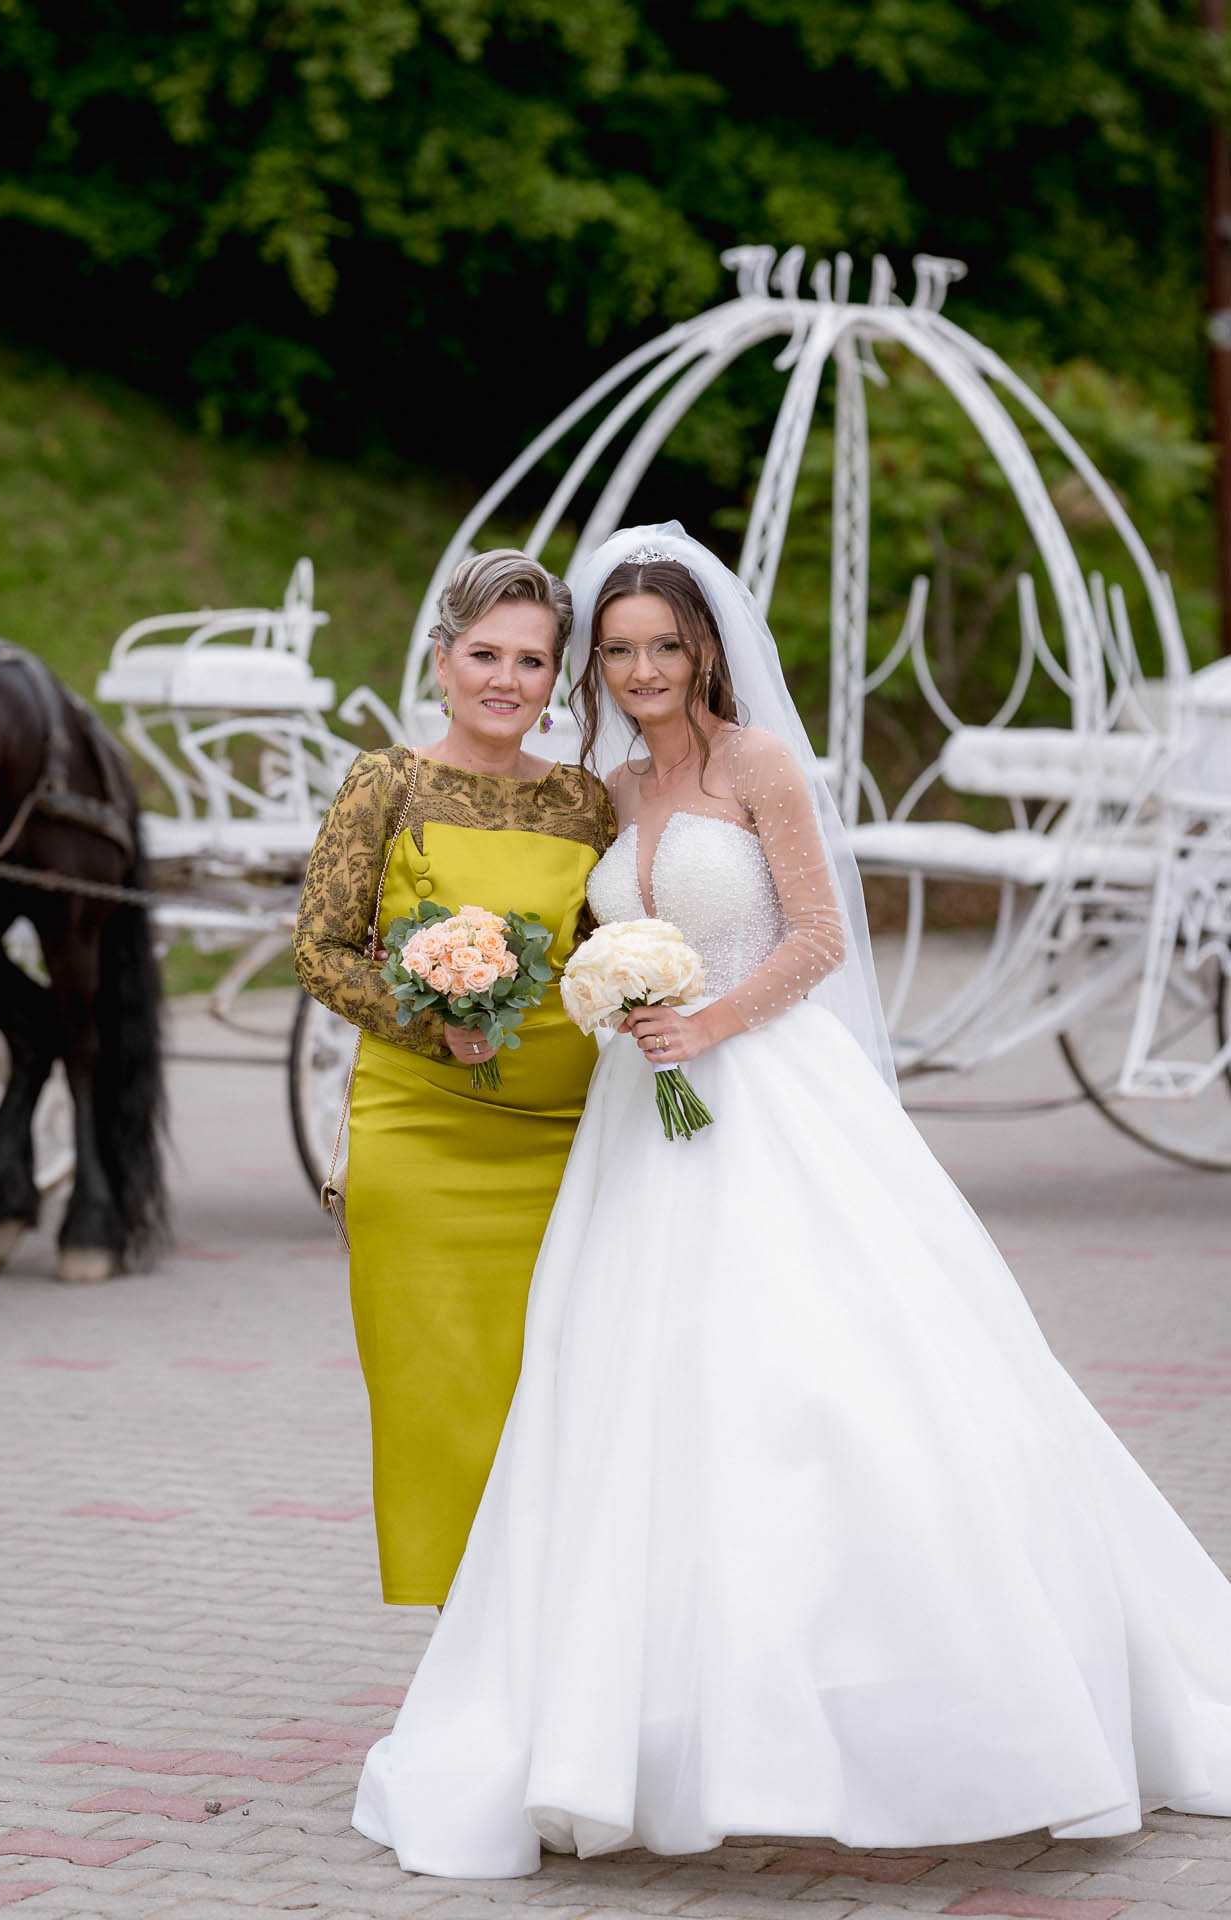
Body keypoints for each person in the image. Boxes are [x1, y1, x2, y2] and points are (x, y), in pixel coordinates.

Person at [351, 523, 1231, 1874]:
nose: (642, 670)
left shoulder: (759, 764)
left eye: (664, 645)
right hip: (638, 1123)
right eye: (617, 651)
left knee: (825, 1385)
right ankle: (653, 1716)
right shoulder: (608, 788)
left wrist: (707, 1022)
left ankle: (923, 1697)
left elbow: (818, 937)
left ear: (705, 647)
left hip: (767, 1094)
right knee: (636, 1395)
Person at [293, 549, 615, 1610]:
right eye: (484, 654)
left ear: (556, 679)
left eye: (531, 660)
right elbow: (320, 951)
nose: (505, 680)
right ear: (441, 662)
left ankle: (542, 1631)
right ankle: (461, 1643)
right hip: (420, 1136)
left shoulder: (584, 802)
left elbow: (607, 953)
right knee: (434, 1398)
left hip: (564, 1143)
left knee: (551, 1396)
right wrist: (433, 1025)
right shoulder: (384, 783)